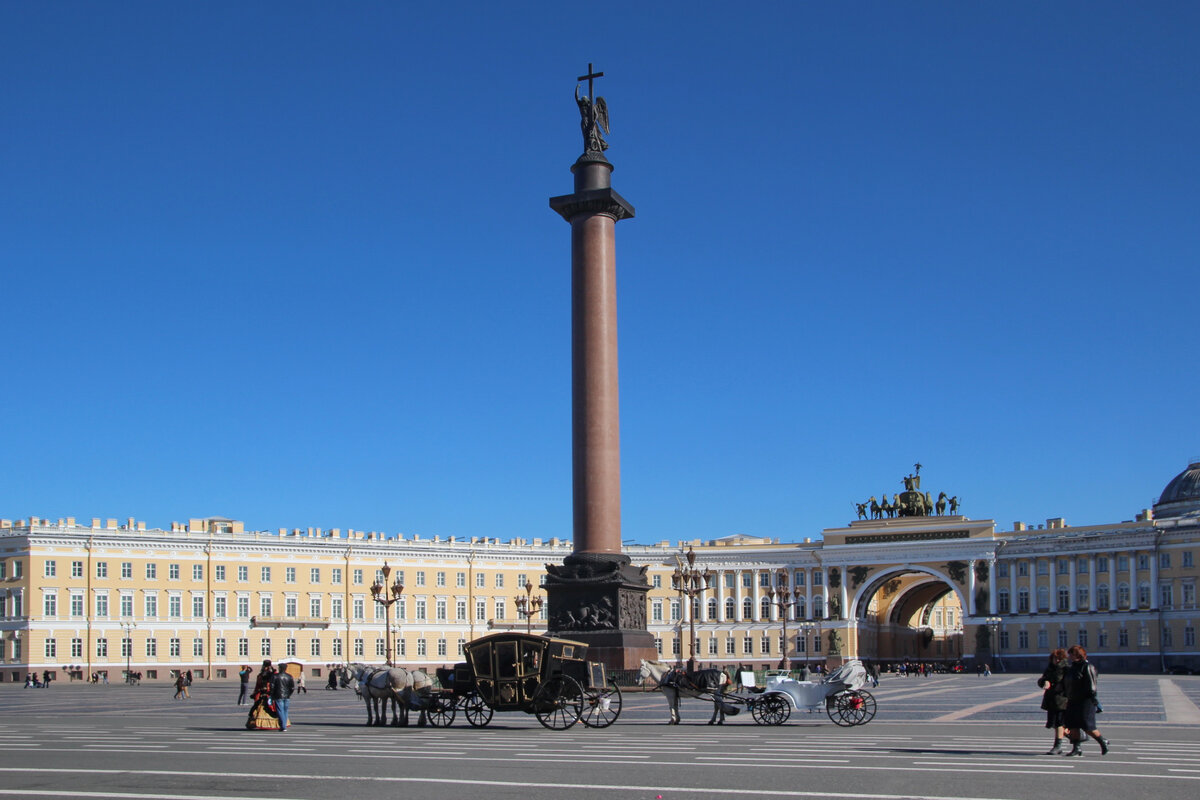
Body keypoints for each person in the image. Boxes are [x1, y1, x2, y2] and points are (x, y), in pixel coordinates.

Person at [1061, 645, 1109, 756]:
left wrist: (1093, 698)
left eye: (1072, 654)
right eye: (1070, 654)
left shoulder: (1087, 666)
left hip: (1085, 700)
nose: (1070, 656)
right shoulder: (1071, 668)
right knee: (1072, 725)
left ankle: (1103, 741)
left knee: (1087, 726)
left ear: (1078, 654)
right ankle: (1076, 748)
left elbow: (1092, 684)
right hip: (1072, 699)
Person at [1037, 648, 1069, 754]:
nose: (1057, 661)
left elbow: (1067, 683)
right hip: (1051, 699)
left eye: (1059, 659)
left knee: (1059, 723)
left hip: (1062, 699)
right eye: (1055, 658)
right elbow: (1042, 679)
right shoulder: (1050, 668)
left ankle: (1057, 746)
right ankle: (1074, 736)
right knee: (1056, 724)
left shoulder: (1066, 668)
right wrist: (1044, 682)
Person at [270, 667, 295, 732]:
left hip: (278, 695)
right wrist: (289, 694)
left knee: (280, 711)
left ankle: (283, 726)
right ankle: (284, 725)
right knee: (285, 711)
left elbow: (272, 686)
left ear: (279, 668)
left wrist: (272, 695)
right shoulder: (289, 676)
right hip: (286, 696)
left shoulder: (275, 676)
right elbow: (292, 687)